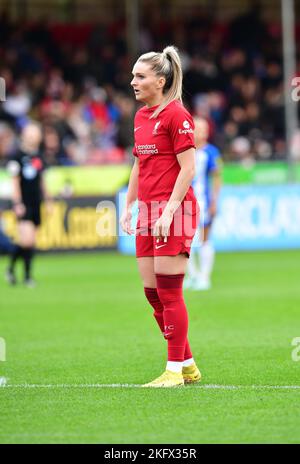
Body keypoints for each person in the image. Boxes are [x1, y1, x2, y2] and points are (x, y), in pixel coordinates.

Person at [120, 45, 201, 387]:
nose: (133, 82)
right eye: (134, 76)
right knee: (152, 294)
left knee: (170, 293)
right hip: (148, 212)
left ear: (161, 80)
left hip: (174, 212)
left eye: (140, 76)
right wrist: (128, 205)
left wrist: (168, 211)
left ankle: (173, 371)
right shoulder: (141, 117)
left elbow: (189, 168)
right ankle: (188, 364)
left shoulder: (177, 115)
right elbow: (140, 163)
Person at [5, 122, 52, 287]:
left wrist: (48, 201)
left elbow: (42, 181)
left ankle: (15, 271)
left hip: (36, 202)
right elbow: (15, 182)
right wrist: (17, 203)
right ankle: (23, 275)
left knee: (31, 241)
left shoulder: (39, 156)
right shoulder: (16, 156)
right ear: (24, 135)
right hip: (24, 203)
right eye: (31, 133)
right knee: (26, 240)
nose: (34, 137)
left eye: (36, 133)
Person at [185, 117, 222, 291]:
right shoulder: (185, 150)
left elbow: (217, 177)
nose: (199, 132)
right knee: (185, 241)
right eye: (196, 129)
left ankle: (205, 277)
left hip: (204, 202)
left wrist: (215, 201)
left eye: (202, 129)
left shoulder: (211, 152)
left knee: (204, 239)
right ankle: (192, 276)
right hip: (185, 202)